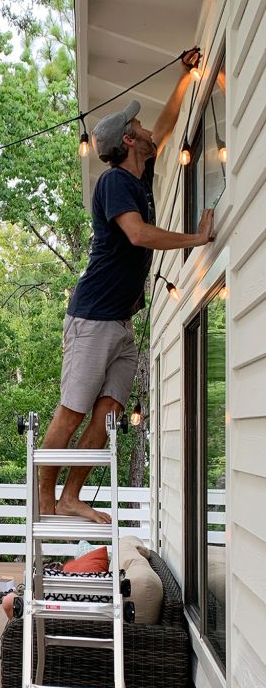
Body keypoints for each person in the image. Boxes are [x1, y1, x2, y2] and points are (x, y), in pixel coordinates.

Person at [39, 49, 216, 523]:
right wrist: (196, 239)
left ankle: (73, 496)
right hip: (94, 316)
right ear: (127, 141)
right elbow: (137, 234)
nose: (145, 131)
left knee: (110, 410)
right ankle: (44, 500)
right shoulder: (115, 181)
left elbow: (166, 124)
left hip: (119, 321)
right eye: (137, 129)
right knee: (73, 410)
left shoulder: (141, 172)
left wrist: (185, 78)